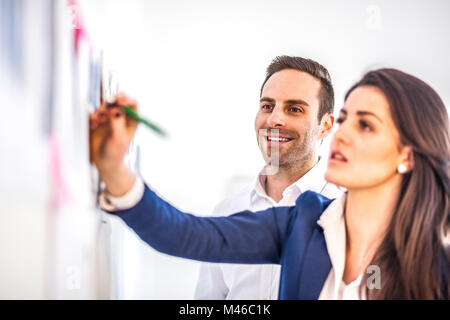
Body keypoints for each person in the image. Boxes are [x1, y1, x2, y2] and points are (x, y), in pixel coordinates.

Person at [90, 68, 450, 299]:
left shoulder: (437, 263)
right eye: (345, 119)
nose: (343, 135)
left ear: (407, 155)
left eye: (366, 125)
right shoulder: (303, 222)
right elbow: (185, 234)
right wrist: (112, 167)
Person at [192, 56, 342, 300]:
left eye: (294, 109)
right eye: (267, 106)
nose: (274, 120)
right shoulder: (226, 213)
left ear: (325, 126)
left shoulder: (348, 214)